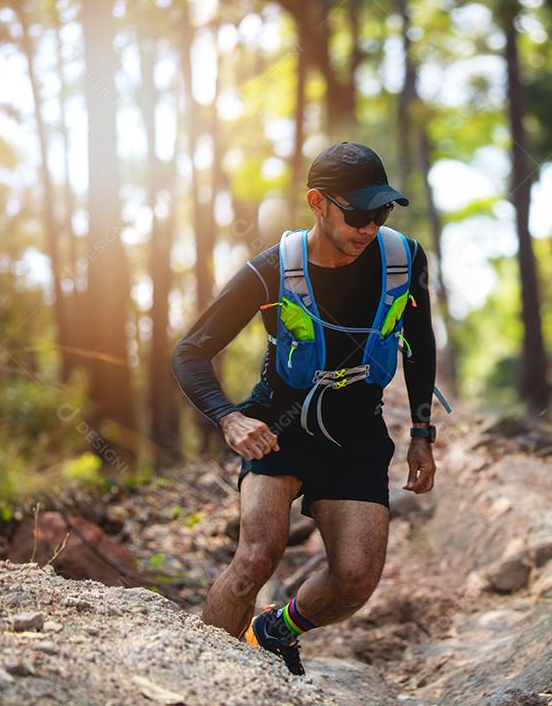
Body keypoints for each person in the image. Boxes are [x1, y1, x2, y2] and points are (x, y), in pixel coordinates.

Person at [172, 142, 447, 676]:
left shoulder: (404, 260)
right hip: (279, 425)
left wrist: (422, 433)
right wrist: (229, 417)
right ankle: (202, 680)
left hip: (357, 431)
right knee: (255, 558)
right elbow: (190, 351)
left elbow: (421, 343)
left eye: (382, 211)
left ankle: (274, 630)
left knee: (356, 577)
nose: (370, 226)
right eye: (358, 212)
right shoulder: (271, 269)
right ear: (317, 203)